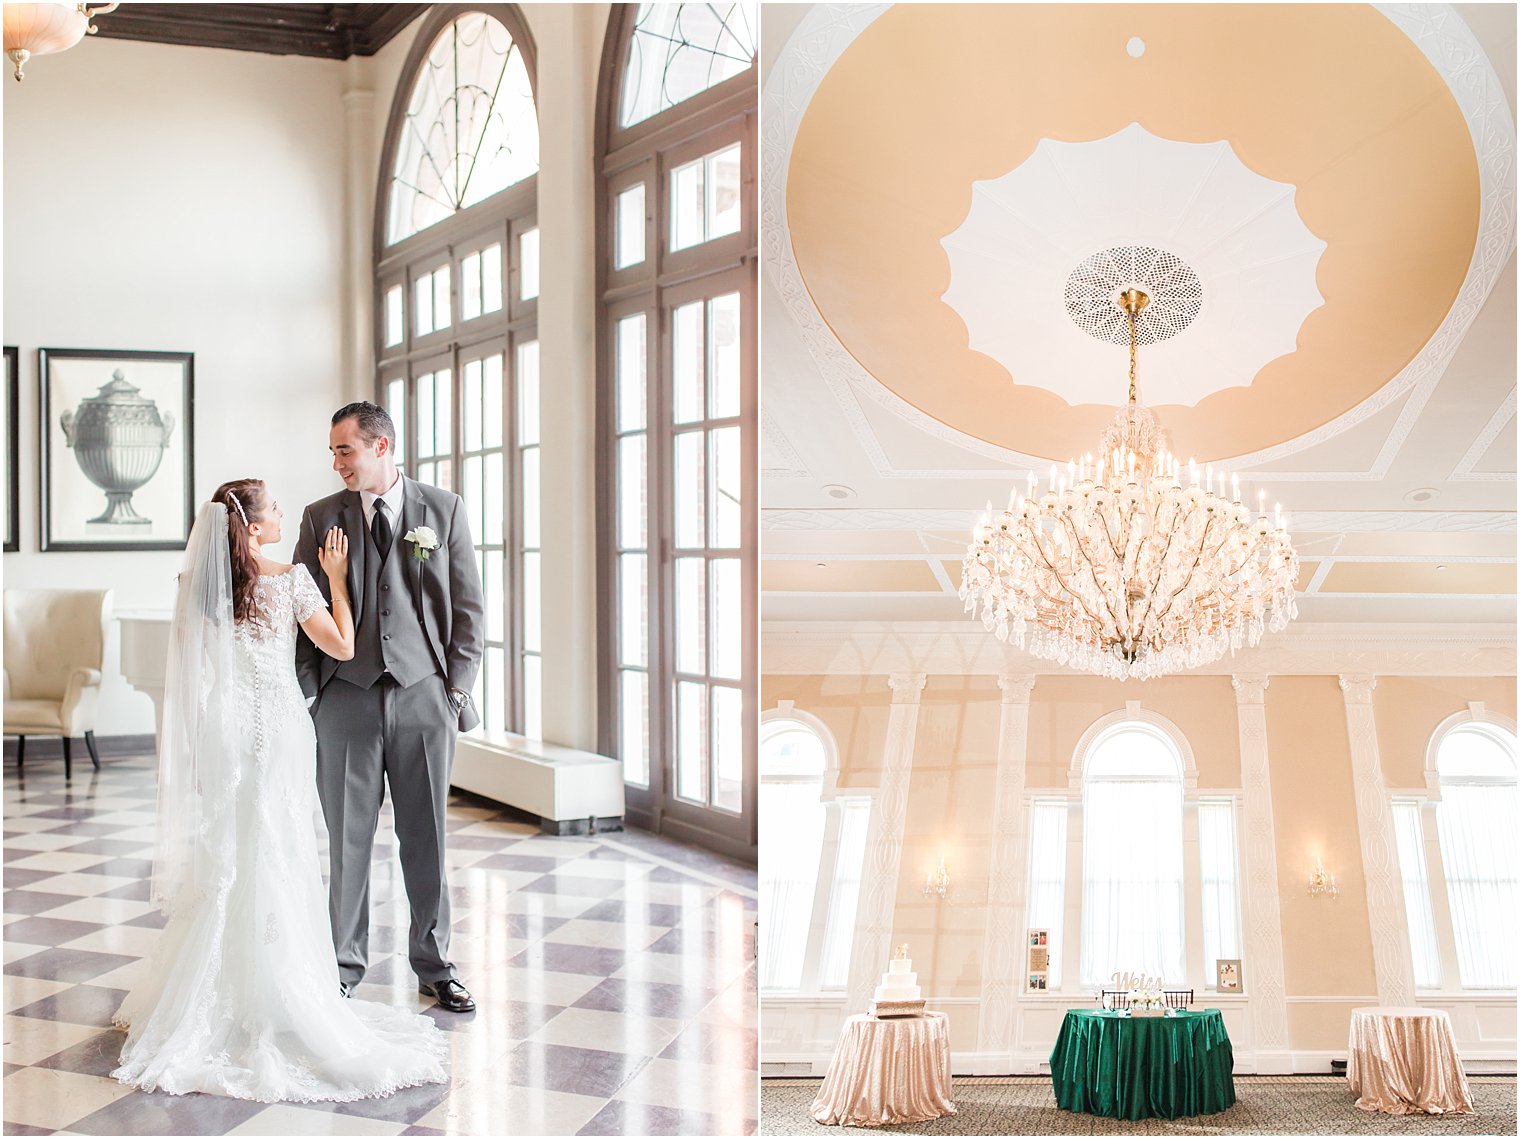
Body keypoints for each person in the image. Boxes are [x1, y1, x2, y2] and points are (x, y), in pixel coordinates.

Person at [113, 480, 447, 1102]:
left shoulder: (202, 586)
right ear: (258, 526)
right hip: (278, 722)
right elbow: (342, 646)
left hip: (224, 724)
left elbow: (191, 671)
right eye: (276, 511)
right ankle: (276, 993)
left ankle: (212, 994)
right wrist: (339, 580)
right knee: (280, 847)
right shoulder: (292, 577)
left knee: (233, 851)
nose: (284, 516)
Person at [294, 403, 484, 1013]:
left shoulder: (443, 510)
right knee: (347, 842)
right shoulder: (320, 516)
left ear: (381, 447)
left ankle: (435, 965)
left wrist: (456, 689)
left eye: (344, 450)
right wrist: (312, 692)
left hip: (424, 696)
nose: (335, 463)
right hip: (344, 698)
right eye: (332, 452)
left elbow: (469, 607)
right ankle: (343, 968)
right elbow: (302, 612)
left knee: (425, 838)